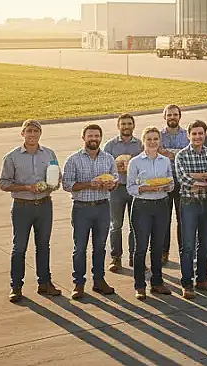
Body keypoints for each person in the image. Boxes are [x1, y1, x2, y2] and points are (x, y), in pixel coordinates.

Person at [0, 120, 60, 302]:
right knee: (19, 248)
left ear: (40, 134)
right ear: (22, 134)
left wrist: (51, 185)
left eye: (36, 131)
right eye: (29, 131)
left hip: (44, 205)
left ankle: (45, 283)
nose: (32, 134)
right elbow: (4, 184)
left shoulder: (50, 154)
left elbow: (57, 179)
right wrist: (27, 187)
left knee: (43, 246)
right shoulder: (12, 157)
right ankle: (16, 286)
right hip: (22, 207)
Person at [61, 124, 119, 300]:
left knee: (100, 247)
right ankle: (78, 283)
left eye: (96, 136)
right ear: (83, 137)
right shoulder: (73, 159)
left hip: (102, 207)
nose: (93, 139)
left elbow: (115, 180)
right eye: (90, 136)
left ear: (101, 138)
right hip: (82, 209)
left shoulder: (108, 159)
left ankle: (99, 280)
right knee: (79, 249)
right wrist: (89, 184)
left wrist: (112, 184)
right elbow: (67, 184)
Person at [126, 126, 175, 299]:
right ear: (143, 141)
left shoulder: (165, 161)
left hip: (161, 205)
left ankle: (157, 283)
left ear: (159, 141)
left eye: (155, 139)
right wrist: (145, 188)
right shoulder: (135, 162)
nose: (153, 142)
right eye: (149, 139)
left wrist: (167, 187)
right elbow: (130, 187)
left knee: (157, 246)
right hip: (142, 206)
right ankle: (139, 285)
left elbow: (171, 183)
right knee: (141, 248)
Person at [175, 120, 207, 299]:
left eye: (200, 133)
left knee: (206, 243)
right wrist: (204, 179)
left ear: (205, 134)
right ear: (188, 135)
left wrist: (196, 179)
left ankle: (202, 279)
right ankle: (187, 283)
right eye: (194, 134)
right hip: (189, 204)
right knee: (188, 245)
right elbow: (182, 180)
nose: (198, 137)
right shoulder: (182, 155)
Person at [104, 113, 143, 275]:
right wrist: (115, 168)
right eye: (123, 124)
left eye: (129, 124)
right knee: (116, 225)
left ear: (133, 125)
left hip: (134, 189)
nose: (126, 126)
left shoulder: (140, 145)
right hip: (117, 188)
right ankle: (116, 257)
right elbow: (103, 166)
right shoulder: (110, 146)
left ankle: (135, 257)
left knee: (136, 225)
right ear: (118, 126)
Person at [158, 105, 189, 265]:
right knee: (164, 220)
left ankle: (185, 251)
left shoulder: (187, 135)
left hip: (182, 182)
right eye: (169, 115)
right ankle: (164, 252)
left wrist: (170, 153)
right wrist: (178, 153)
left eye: (175, 114)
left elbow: (188, 154)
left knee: (183, 220)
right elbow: (156, 152)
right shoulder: (158, 136)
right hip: (164, 182)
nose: (172, 117)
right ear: (165, 117)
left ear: (179, 116)